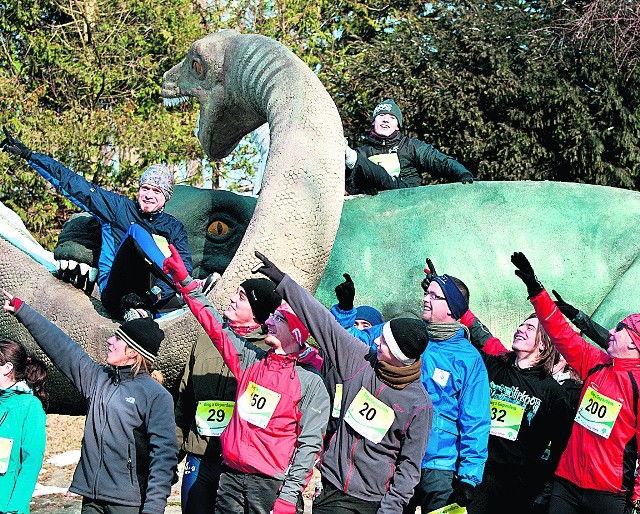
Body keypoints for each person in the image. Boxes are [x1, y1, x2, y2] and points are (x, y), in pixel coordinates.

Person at [252, 251, 434, 513]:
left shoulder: (419, 405)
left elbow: (409, 467)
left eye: (384, 342)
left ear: (399, 356)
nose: (376, 342)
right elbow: (323, 323)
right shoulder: (361, 359)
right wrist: (284, 283)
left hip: (372, 501)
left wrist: (390, 509)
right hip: (331, 487)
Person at [163, 245, 328, 514]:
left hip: (270, 485)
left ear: (295, 334)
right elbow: (212, 323)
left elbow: (309, 444)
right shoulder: (251, 360)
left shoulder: (309, 382)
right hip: (231, 477)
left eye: (278, 319)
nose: (269, 322)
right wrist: (186, 283)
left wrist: (288, 496)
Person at [1, 126, 213, 320]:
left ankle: (176, 296)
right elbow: (74, 184)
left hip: (152, 294)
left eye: (156, 191)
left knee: (174, 263)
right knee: (136, 233)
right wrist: (30, 156)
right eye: (145, 189)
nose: (148, 195)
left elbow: (182, 264)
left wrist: (157, 294)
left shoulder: (173, 227)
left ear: (166, 197)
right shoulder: (118, 208)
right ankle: (166, 297)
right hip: (116, 289)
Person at [2, 289, 178, 514]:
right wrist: (22, 310)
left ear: (134, 353)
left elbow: (164, 457)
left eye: (117, 339)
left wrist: (153, 509)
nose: (109, 341)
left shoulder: (156, 396)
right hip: (91, 499)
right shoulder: (97, 378)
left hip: (128, 504)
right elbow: (62, 346)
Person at [341, 261, 490, 513]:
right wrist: (345, 311)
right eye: (426, 293)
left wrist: (469, 477)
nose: (425, 299)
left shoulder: (469, 359)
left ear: (452, 308)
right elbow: (349, 342)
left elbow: (476, 421)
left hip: (438, 466)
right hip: (394, 453)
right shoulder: (407, 333)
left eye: (434, 295)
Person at [511, 251, 640, 514]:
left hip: (608, 495)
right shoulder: (596, 362)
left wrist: (637, 495)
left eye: (619, 328)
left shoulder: (636, 386)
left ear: (634, 342)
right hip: (566, 484)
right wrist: (536, 290)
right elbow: (561, 332)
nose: (611, 333)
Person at [174, 278, 283, 514]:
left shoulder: (268, 352)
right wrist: (172, 455)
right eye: (236, 292)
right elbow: (185, 401)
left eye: (242, 296)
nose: (232, 298)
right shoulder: (205, 339)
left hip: (239, 468)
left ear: (257, 312)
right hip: (199, 456)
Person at [459, 308, 573, 514]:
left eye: (530, 328)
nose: (521, 328)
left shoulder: (552, 393)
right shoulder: (490, 365)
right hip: (472, 473)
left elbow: (560, 448)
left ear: (544, 345)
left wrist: (540, 486)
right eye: (521, 325)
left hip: (514, 488)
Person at [344, 99, 474, 194]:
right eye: (381, 115)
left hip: (406, 198)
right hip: (377, 211)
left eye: (392, 118)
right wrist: (360, 190)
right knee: (356, 166)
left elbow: (440, 160)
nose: (385, 120)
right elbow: (348, 187)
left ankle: (350, 157)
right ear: (373, 122)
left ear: (397, 126)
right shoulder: (363, 151)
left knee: (359, 162)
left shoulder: (410, 146)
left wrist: (462, 173)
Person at [0, 340, 48, 514]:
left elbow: (32, 462)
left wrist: (15, 509)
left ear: (7, 368)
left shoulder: (30, 407)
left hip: (7, 507)